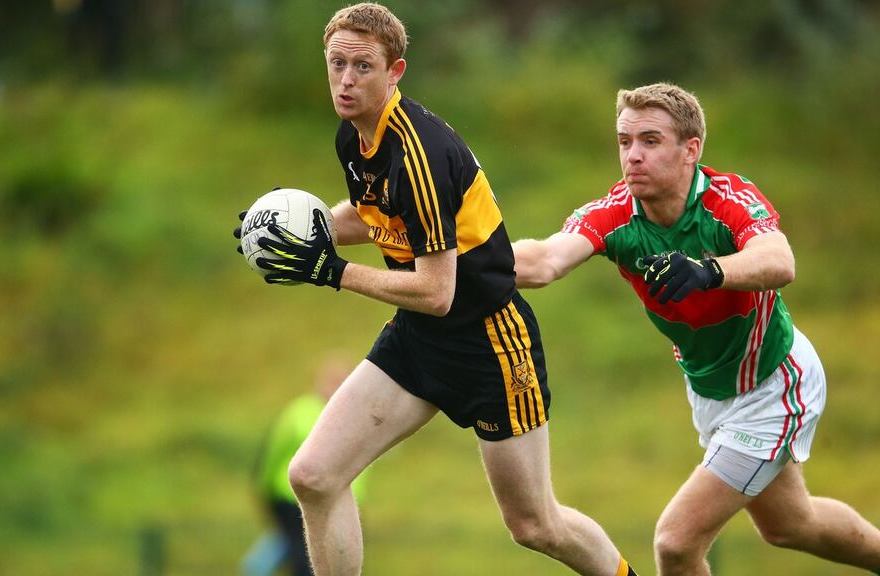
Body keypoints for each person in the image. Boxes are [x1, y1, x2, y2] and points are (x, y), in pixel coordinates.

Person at [233, 3, 638, 575]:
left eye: (363, 67)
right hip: (419, 337)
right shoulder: (355, 136)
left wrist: (330, 270)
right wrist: (288, 230)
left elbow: (436, 291)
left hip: (490, 344)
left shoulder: (418, 155)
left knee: (536, 525)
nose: (346, 80)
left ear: (395, 72)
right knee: (314, 476)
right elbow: (373, 214)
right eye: (337, 63)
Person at [512, 82, 880, 576]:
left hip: (773, 385)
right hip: (711, 389)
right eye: (625, 142)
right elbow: (544, 260)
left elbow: (779, 261)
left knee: (676, 543)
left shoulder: (728, 199)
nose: (633, 156)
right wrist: (464, 256)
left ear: (691, 150)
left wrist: (709, 270)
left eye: (650, 141)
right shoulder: (615, 214)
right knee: (790, 525)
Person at [242, 356, 369, 576]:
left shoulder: (359, 415)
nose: (335, 387)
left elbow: (362, 462)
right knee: (302, 554)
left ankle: (255, 567)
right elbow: (275, 450)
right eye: (332, 381)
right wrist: (264, 486)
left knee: (322, 552)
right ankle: (254, 568)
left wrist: (357, 498)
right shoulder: (300, 411)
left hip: (336, 498)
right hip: (292, 496)